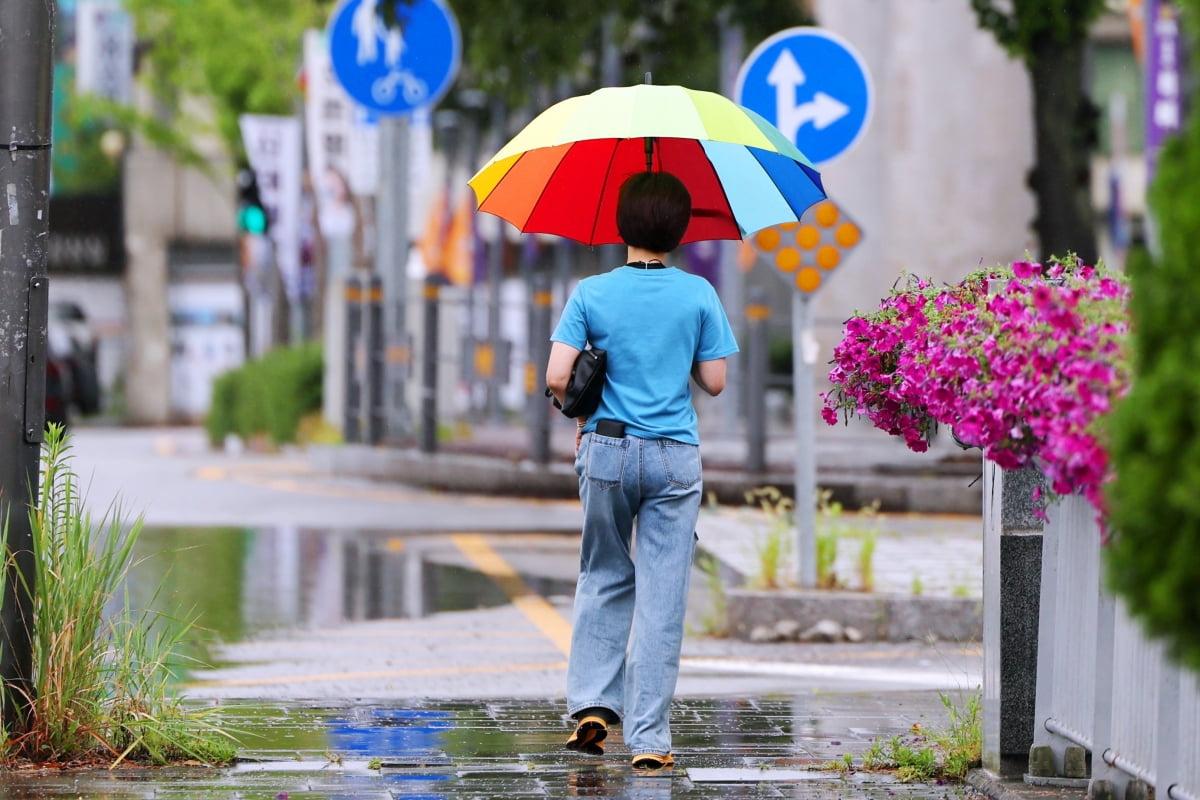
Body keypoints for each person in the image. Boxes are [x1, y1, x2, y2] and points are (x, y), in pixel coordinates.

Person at [545, 170, 739, 772]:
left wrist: (584, 405)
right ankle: (651, 739)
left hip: (605, 449)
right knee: (662, 595)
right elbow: (714, 380)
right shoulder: (700, 293)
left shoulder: (591, 292)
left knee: (603, 572)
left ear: (621, 225)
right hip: (673, 456)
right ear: (681, 231)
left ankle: (593, 709)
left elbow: (557, 376)